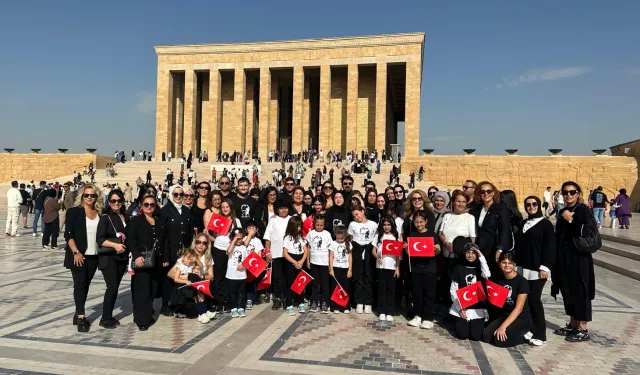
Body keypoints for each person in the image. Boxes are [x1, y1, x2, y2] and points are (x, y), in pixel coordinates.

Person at [551, 181, 595, 342]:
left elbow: (584, 230)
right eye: (566, 192)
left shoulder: (582, 210)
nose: (569, 195)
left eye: (572, 192)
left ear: (578, 194)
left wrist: (570, 219)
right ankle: (572, 323)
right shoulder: (563, 211)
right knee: (567, 290)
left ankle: (582, 327)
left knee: (581, 291)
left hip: (579, 258)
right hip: (564, 258)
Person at [515, 195, 556, 346]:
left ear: (539, 205)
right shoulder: (524, 222)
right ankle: (530, 329)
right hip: (523, 268)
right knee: (525, 301)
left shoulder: (545, 224)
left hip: (538, 270)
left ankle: (540, 334)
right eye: (528, 205)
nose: (531, 207)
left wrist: (545, 266)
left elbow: (550, 247)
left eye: (534, 204)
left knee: (534, 301)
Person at [63, 184, 103, 332]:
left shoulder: (99, 213)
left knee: (85, 284)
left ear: (96, 197)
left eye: (92, 195)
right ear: (82, 196)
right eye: (86, 195)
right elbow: (68, 234)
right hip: (78, 255)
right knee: (79, 284)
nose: (89, 198)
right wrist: (76, 252)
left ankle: (77, 312)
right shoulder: (74, 212)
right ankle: (81, 317)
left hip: (94, 255)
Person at [128, 194, 165, 331]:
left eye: (152, 204)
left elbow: (163, 240)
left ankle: (148, 313)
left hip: (156, 261)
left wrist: (164, 259)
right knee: (142, 291)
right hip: (142, 261)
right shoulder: (136, 221)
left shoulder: (158, 221)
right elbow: (131, 240)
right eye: (146, 204)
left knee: (152, 289)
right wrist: (137, 255)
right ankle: (141, 320)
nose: (149, 207)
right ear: (141, 206)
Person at [482, 252, 532, 347]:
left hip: (520, 318)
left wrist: (502, 327)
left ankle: (526, 336)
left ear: (514, 264)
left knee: (499, 341)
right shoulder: (498, 279)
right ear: (499, 264)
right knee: (486, 337)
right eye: (504, 262)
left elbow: (519, 308)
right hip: (504, 316)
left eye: (510, 263)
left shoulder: (522, 282)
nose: (507, 265)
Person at [96, 189, 129, 329]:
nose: (116, 203)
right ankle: (105, 317)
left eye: (118, 201)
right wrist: (115, 245)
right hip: (109, 258)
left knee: (115, 287)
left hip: (121, 258)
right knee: (112, 287)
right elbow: (100, 240)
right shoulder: (105, 217)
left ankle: (108, 315)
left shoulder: (125, 217)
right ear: (108, 202)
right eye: (113, 201)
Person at [438, 191, 476, 304]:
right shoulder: (447, 216)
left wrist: (460, 248)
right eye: (458, 201)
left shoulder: (469, 217)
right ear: (453, 202)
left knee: (458, 286)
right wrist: (446, 243)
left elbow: (472, 238)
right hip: (446, 257)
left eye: (464, 202)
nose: (461, 204)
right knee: (447, 284)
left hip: (460, 258)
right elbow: (440, 233)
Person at [161, 185, 193, 316]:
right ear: (171, 195)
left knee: (181, 276)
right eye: (176, 194)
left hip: (183, 251)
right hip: (170, 250)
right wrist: (165, 257)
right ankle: (165, 304)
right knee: (168, 278)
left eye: (181, 194)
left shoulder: (187, 211)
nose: (179, 197)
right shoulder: (165, 211)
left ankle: (178, 304)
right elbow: (163, 235)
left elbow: (190, 232)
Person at [405, 210, 440, 329]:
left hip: (429, 269)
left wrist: (437, 248)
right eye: (416, 222)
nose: (419, 224)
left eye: (421, 222)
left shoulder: (432, 234)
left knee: (429, 293)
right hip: (415, 268)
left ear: (426, 222)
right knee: (417, 293)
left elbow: (437, 251)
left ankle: (428, 318)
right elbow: (409, 252)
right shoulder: (411, 235)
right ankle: (418, 315)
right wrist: (406, 249)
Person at [449, 242, 490, 341]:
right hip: (463, 306)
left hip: (478, 306)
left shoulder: (480, 269)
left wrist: (480, 254)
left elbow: (487, 274)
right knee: (462, 335)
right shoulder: (458, 268)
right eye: (468, 252)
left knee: (476, 336)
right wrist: (459, 308)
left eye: (473, 253)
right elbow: (453, 290)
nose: (470, 255)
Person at [470, 181, 512, 278]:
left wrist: (500, 249)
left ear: (493, 193)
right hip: (479, 249)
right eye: (483, 191)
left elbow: (504, 229)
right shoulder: (476, 209)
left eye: (489, 191)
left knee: (492, 278)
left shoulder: (500, 208)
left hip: (493, 249)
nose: (486, 194)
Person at [209, 198, 242, 313]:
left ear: (231, 208)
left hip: (231, 250)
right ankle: (219, 301)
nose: (225, 209)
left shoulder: (236, 221)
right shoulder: (217, 219)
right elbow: (212, 234)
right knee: (219, 275)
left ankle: (229, 301)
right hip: (219, 249)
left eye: (227, 207)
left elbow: (239, 237)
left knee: (229, 275)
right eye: (223, 207)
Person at [348, 204, 378, 314]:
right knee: (358, 277)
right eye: (354, 215)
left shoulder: (373, 224)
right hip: (357, 252)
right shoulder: (352, 224)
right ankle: (359, 302)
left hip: (369, 252)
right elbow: (350, 239)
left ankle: (368, 302)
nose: (356, 216)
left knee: (368, 277)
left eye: (357, 214)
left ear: (363, 211)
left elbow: (376, 238)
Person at [168, 248, 210, 323]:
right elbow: (176, 279)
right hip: (182, 286)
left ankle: (202, 312)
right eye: (187, 258)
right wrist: (185, 281)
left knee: (199, 289)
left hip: (190, 285)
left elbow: (201, 266)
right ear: (183, 257)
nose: (189, 261)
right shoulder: (180, 266)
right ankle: (201, 312)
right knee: (194, 277)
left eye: (191, 259)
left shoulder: (191, 264)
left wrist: (196, 259)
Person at [371, 216, 400, 322]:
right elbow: (373, 250)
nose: (387, 227)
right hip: (381, 267)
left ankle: (389, 311)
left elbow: (398, 255)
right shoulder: (379, 236)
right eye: (385, 225)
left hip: (392, 267)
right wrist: (377, 257)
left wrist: (397, 268)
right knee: (382, 289)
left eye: (389, 225)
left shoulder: (395, 236)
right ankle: (382, 311)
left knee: (391, 290)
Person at [282, 216, 309, 315]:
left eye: (300, 226)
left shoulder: (301, 237)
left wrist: (301, 261)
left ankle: (301, 302)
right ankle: (289, 304)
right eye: (297, 226)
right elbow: (285, 253)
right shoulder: (287, 238)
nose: (299, 228)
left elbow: (305, 250)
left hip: (300, 259)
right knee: (290, 283)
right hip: (291, 261)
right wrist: (294, 262)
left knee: (300, 282)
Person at [305, 215, 333, 313]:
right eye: (317, 225)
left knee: (325, 284)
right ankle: (314, 302)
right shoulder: (311, 233)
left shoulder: (327, 234)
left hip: (324, 263)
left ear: (324, 225)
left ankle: (325, 302)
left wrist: (330, 265)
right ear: (314, 224)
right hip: (314, 263)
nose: (319, 227)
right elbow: (308, 248)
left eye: (321, 225)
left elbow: (330, 251)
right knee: (314, 283)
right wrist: (308, 261)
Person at [328, 225, 352, 313]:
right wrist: (331, 269)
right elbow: (330, 257)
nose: (339, 240)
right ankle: (335, 306)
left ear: (345, 237)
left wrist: (350, 270)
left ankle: (345, 306)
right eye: (338, 238)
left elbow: (350, 257)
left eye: (341, 239)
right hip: (336, 268)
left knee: (345, 287)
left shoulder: (348, 244)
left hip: (345, 268)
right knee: (335, 287)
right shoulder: (333, 244)